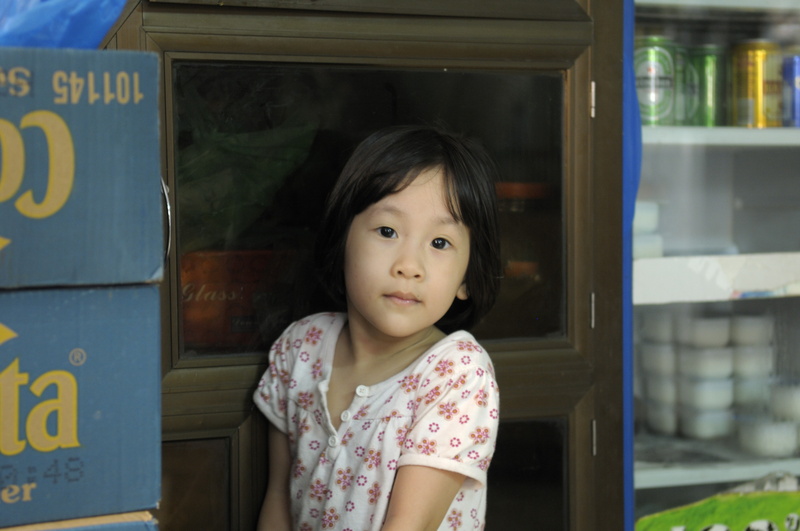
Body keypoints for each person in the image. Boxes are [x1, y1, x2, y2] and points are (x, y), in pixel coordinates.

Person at [253, 124, 502, 531]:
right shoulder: (302, 348)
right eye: (387, 231)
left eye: (440, 243)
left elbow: (410, 526)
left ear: (467, 279)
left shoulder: (457, 374)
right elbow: (279, 496)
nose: (409, 265)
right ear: (342, 241)